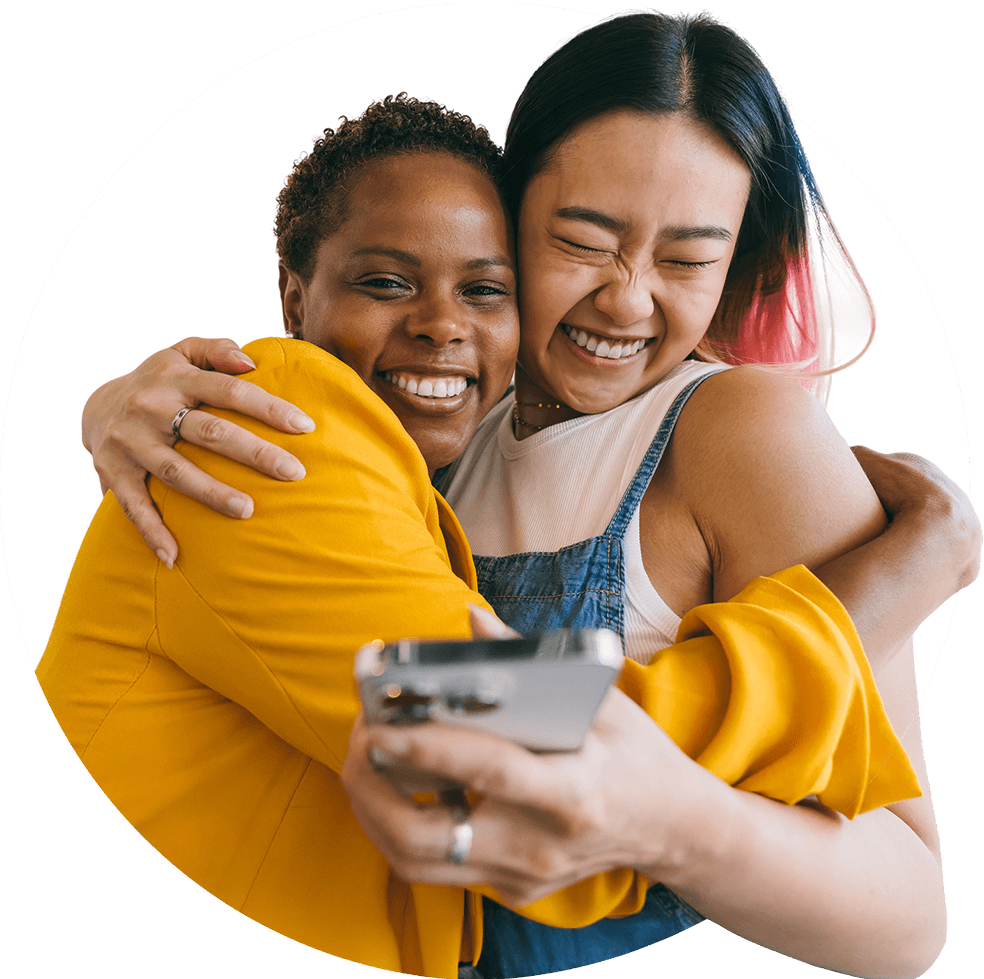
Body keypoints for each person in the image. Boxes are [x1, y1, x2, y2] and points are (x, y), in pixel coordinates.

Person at [73, 13, 979, 979]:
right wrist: (887, 582)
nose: (629, 300)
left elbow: (909, 912)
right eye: (583, 242)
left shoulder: (742, 431)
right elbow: (456, 725)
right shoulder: (434, 435)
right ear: (513, 213)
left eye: (686, 260)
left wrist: (677, 818)